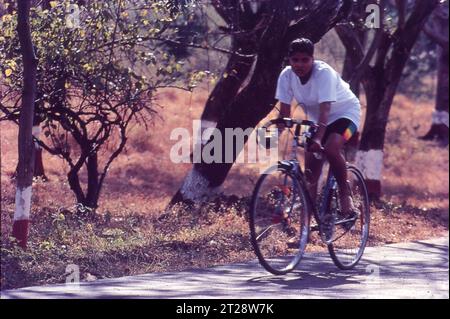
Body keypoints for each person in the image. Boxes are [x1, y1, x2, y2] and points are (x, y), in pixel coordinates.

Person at [275, 38, 361, 216]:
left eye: (305, 60)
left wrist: (318, 138)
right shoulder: (286, 75)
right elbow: (284, 113)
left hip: (346, 115)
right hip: (318, 120)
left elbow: (326, 109)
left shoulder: (323, 73)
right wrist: (274, 134)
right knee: (310, 174)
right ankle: (306, 231)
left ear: (312, 59)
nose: (299, 64)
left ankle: (345, 195)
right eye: (295, 60)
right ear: (289, 60)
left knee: (330, 148)